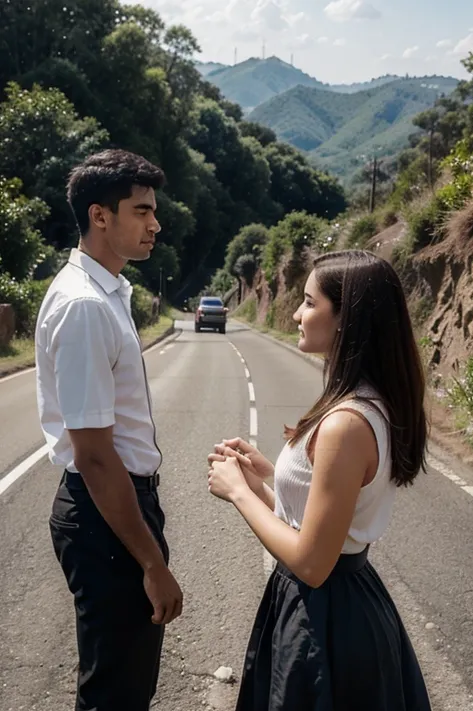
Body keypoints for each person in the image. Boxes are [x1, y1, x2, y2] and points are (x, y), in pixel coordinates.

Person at [208, 250, 432, 710]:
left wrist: (237, 494)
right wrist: (264, 481)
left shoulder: (346, 422)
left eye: (309, 303)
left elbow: (312, 562)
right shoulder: (367, 402)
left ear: (345, 317)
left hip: (328, 615)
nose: (296, 313)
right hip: (342, 603)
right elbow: (324, 516)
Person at [35, 149, 183, 711]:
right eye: (142, 211)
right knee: (115, 692)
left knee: (126, 679)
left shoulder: (106, 294)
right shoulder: (86, 307)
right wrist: (152, 563)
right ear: (101, 216)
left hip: (113, 507)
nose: (155, 224)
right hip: (103, 512)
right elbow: (94, 455)